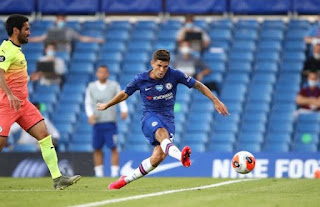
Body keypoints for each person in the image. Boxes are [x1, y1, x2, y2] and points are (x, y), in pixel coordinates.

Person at [97, 49, 229, 189]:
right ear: (152, 63)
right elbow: (124, 94)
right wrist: (108, 104)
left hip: (168, 119)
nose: (161, 70)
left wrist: (215, 100)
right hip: (150, 116)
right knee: (161, 133)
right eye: (159, 66)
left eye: (165, 66)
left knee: (158, 157)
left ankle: (125, 180)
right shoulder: (141, 79)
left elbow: (197, 84)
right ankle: (181, 157)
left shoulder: (174, 75)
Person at [0, 14, 80, 190]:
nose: (29, 32)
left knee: (44, 136)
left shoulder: (17, 50)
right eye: (26, 29)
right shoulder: (6, 49)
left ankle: (58, 179)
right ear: (16, 30)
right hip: (7, 105)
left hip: (24, 105)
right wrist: (9, 94)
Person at [85, 65, 128, 178]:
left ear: (107, 74)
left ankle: (114, 173)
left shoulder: (114, 85)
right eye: (100, 72)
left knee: (113, 147)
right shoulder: (91, 86)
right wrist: (90, 115)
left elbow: (121, 97)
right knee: (97, 148)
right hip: (98, 122)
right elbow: (88, 102)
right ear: (97, 74)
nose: (102, 74)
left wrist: (124, 110)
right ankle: (99, 173)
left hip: (110, 121)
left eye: (104, 72)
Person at [29, 15, 104, 52]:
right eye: (59, 20)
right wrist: (27, 40)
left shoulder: (69, 31)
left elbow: (82, 38)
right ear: (56, 21)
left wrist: (97, 40)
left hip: (65, 53)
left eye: (62, 21)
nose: (61, 22)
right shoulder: (51, 30)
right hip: (54, 52)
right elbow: (41, 38)